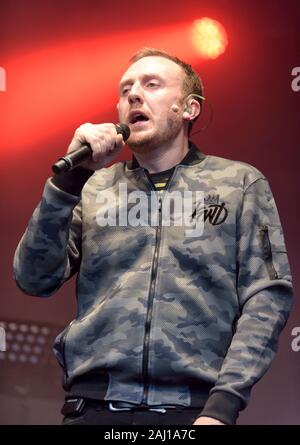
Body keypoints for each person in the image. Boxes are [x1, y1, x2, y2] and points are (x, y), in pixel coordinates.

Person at [13, 48, 293, 426]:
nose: (133, 95)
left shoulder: (239, 185)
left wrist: (223, 405)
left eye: (151, 85)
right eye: (125, 88)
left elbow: (267, 298)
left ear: (190, 109)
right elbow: (33, 278)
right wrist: (68, 180)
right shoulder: (95, 187)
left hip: (192, 411)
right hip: (93, 407)